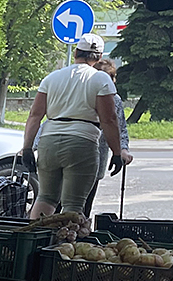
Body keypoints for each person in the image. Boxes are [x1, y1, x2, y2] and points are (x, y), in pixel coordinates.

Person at [22, 33, 131, 222]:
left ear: (76, 53)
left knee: (46, 198)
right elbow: (109, 120)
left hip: (49, 142)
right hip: (82, 143)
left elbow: (35, 116)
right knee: (73, 205)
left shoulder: (52, 78)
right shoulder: (100, 79)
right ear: (98, 57)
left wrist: (27, 148)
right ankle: (66, 239)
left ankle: (33, 235)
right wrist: (116, 152)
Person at [81, 57, 129, 219]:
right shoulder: (82, 92)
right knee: (64, 202)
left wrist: (122, 150)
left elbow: (120, 128)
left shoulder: (115, 99)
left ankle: (78, 230)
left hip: (97, 157)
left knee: (85, 203)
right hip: (78, 153)